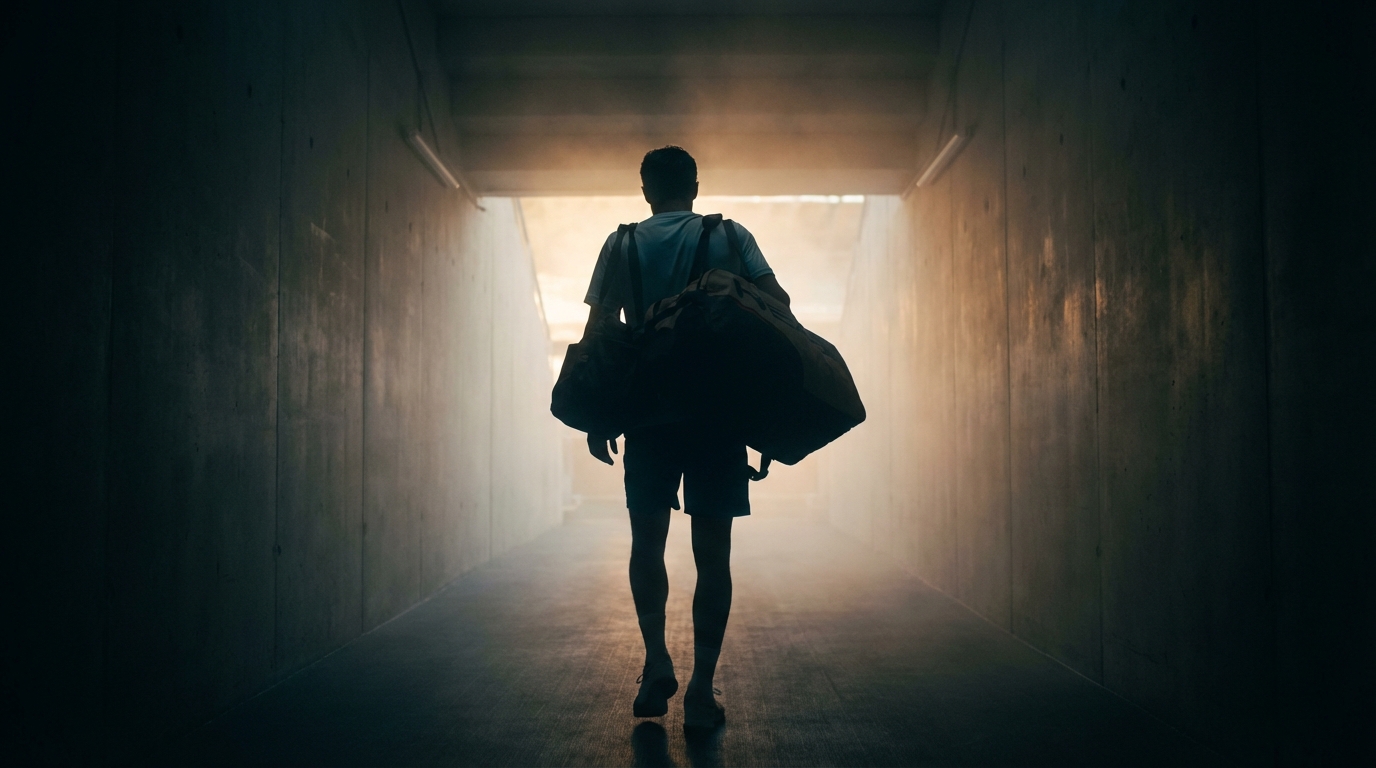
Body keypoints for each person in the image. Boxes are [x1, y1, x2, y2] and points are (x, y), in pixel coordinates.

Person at [581, 146, 791, 730]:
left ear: (646, 190)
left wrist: (601, 416)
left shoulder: (622, 244)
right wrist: (767, 411)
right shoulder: (731, 236)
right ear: (695, 187)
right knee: (713, 555)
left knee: (646, 543)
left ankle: (654, 662)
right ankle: (701, 687)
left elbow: (599, 333)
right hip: (717, 414)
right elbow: (779, 308)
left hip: (647, 413)